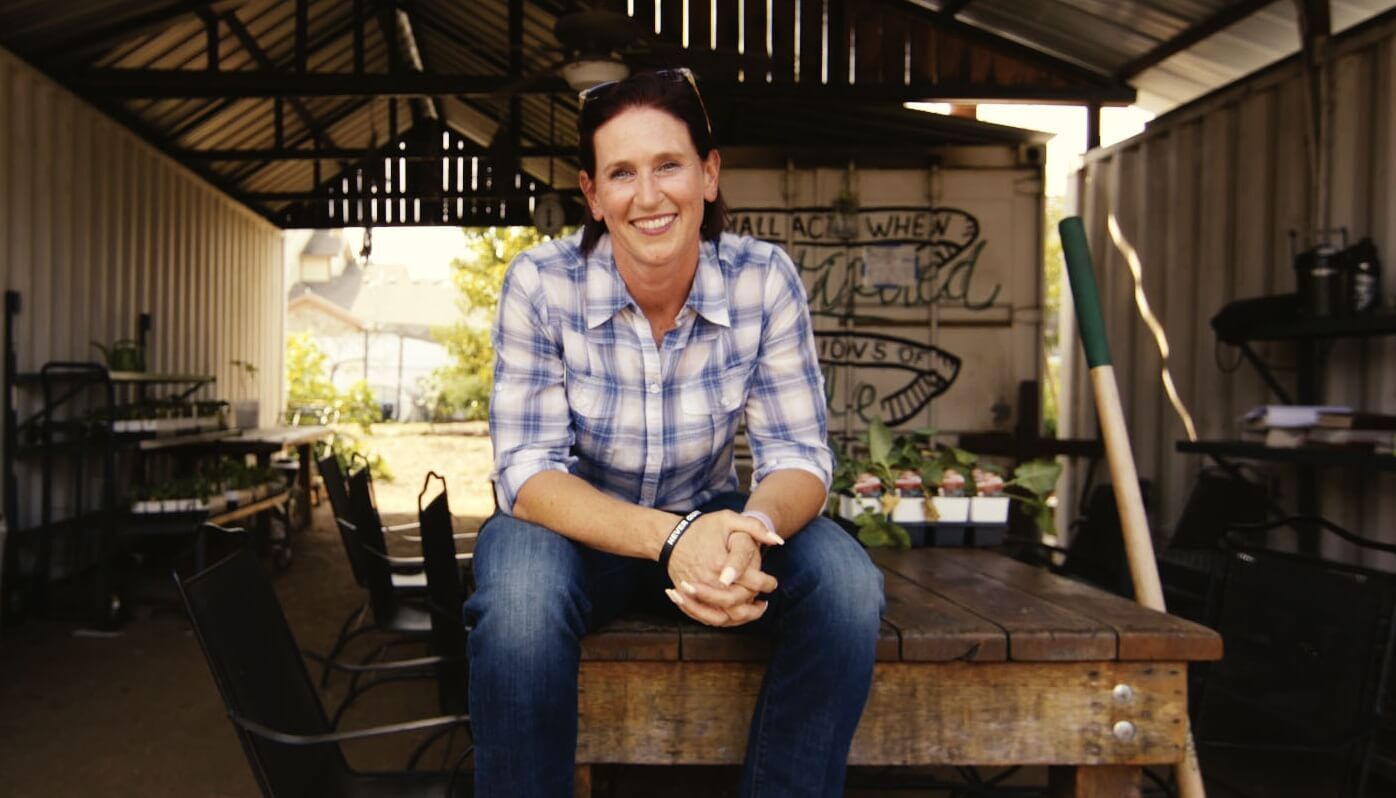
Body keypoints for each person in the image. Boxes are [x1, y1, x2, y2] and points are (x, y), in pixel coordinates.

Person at [464, 68, 885, 798]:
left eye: (669, 165)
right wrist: (668, 540)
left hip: (713, 520)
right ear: (591, 195)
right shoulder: (540, 283)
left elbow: (799, 456)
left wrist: (750, 527)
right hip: (573, 530)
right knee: (521, 600)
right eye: (621, 173)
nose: (649, 195)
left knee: (848, 589)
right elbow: (528, 476)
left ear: (710, 173)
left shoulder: (764, 279)